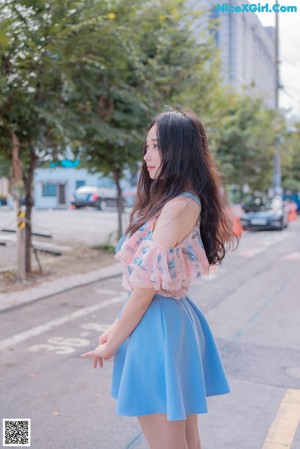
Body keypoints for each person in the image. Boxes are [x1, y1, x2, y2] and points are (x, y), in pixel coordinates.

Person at [80, 108, 238, 449]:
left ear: (178, 150)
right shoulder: (182, 202)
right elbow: (145, 288)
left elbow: (145, 291)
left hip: (158, 331)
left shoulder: (177, 207)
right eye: (147, 146)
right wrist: (115, 328)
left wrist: (112, 345)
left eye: (154, 146)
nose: (146, 155)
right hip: (171, 324)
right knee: (187, 441)